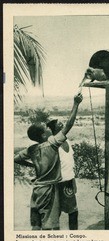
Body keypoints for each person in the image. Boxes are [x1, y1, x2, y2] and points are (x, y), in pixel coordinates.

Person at [14, 93, 83, 230]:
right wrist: (76, 104)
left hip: (39, 188)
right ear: (45, 134)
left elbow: (16, 158)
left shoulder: (33, 148)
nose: (51, 128)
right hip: (52, 187)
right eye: (48, 128)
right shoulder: (52, 144)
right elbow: (69, 124)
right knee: (51, 221)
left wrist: (35, 166)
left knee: (39, 222)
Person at [46, 119, 78, 230]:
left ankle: (74, 236)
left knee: (72, 211)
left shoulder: (66, 141)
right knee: (57, 213)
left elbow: (69, 161)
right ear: (53, 128)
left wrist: (73, 179)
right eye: (58, 123)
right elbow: (69, 124)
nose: (61, 123)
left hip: (68, 180)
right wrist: (76, 104)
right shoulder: (52, 140)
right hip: (58, 181)